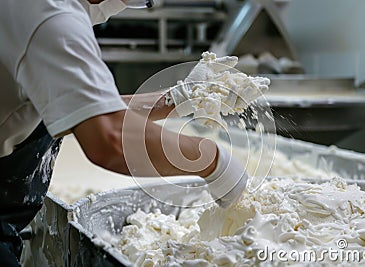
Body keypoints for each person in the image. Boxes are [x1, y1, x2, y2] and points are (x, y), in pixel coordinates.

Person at [0, 0, 248, 265]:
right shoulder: (51, 16)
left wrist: (179, 99)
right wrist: (214, 161)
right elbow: (108, 138)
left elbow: (88, 109)